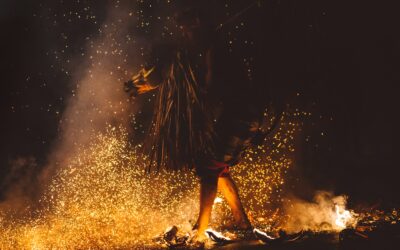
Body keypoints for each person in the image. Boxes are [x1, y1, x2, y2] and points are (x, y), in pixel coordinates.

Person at [125, 7, 263, 243]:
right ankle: (242, 223)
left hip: (240, 113)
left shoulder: (215, 50)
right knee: (219, 168)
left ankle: (201, 231)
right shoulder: (206, 49)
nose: (184, 34)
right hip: (239, 113)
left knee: (209, 166)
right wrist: (148, 83)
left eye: (186, 28)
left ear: (197, 22)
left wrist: (196, 107)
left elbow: (212, 89)